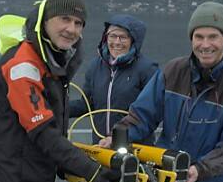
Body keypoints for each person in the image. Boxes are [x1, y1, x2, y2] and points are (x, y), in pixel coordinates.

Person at [0, 0, 122, 182]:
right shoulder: (23, 66)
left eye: (78, 23)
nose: (72, 29)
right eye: (64, 19)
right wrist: (94, 173)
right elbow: (43, 132)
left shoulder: (50, 60)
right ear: (45, 21)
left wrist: (71, 164)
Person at [103, 1, 223, 182]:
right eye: (198, 37)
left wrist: (198, 170)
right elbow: (142, 116)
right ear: (191, 39)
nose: (205, 44)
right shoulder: (173, 71)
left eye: (213, 37)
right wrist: (116, 138)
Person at [68, 14, 158, 143]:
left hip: (135, 148)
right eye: (112, 36)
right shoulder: (95, 67)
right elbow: (86, 105)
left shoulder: (147, 69)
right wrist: (58, 108)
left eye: (123, 37)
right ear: (105, 38)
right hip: (101, 146)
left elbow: (150, 114)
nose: (116, 42)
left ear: (133, 40)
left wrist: (117, 137)